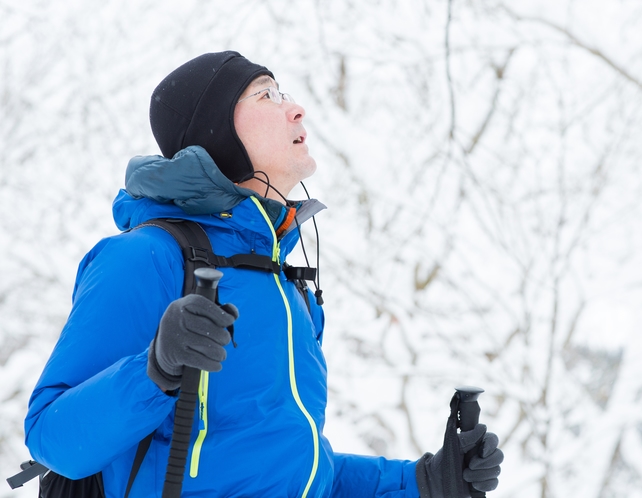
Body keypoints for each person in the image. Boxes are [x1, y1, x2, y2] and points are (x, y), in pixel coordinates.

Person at [24, 51, 503, 497]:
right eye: (266, 95)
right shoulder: (146, 257)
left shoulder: (284, 283)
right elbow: (52, 439)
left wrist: (424, 481)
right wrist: (155, 370)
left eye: (285, 93)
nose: (295, 110)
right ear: (214, 133)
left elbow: (300, 472)